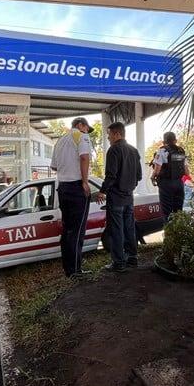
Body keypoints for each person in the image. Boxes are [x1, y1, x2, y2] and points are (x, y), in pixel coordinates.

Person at [50, 117, 94, 278]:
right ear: (81, 125)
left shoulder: (60, 140)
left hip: (63, 188)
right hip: (76, 188)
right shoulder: (82, 136)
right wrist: (84, 182)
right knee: (77, 230)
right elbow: (84, 157)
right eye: (87, 128)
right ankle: (76, 270)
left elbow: (54, 166)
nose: (87, 131)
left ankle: (68, 269)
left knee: (67, 229)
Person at [97, 122, 143, 272]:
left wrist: (103, 191)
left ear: (117, 134)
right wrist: (130, 187)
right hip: (129, 197)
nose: (108, 137)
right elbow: (139, 176)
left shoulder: (114, 150)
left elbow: (111, 175)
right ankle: (132, 258)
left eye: (109, 134)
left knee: (117, 229)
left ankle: (118, 262)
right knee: (129, 228)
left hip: (116, 197)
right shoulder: (134, 150)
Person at [151, 131, 190, 222]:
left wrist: (152, 177)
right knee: (178, 210)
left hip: (166, 184)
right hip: (179, 183)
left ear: (164, 141)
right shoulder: (181, 151)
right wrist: (185, 181)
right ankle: (179, 232)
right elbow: (186, 171)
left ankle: (169, 234)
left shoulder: (162, 150)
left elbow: (157, 169)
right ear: (175, 140)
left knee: (167, 211)